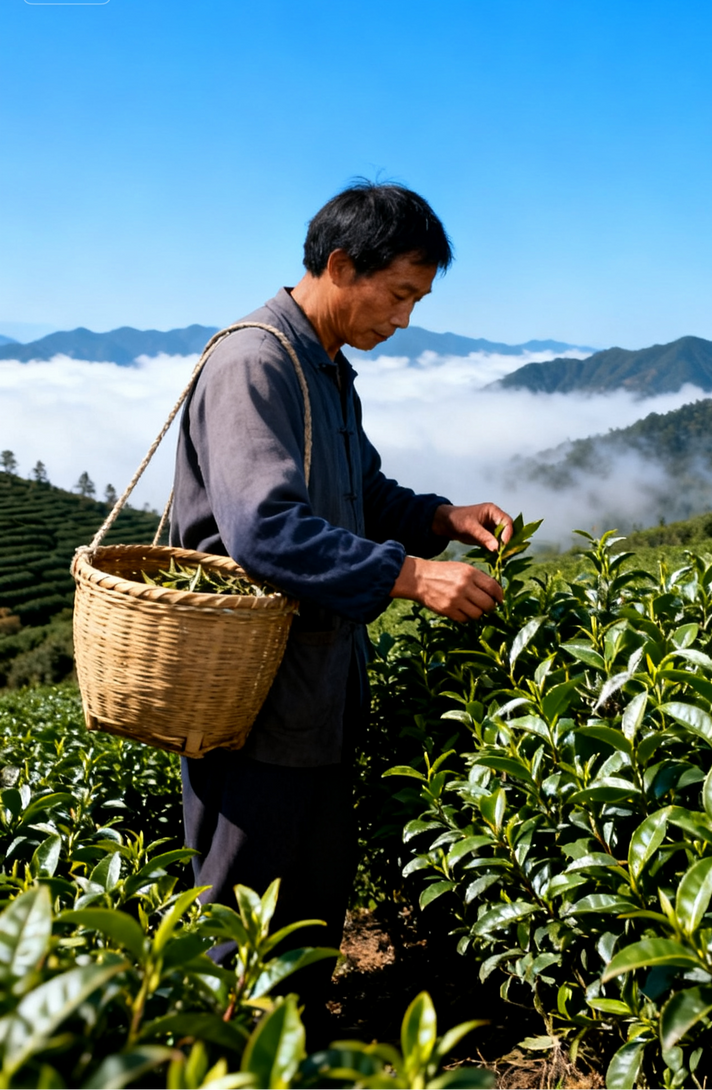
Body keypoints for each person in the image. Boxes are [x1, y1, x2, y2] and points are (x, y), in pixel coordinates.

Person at [170, 181, 512, 1033]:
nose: (404, 320)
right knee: (241, 920)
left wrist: (443, 518)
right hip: (252, 697)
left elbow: (361, 489)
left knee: (312, 907)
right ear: (339, 265)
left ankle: (298, 1052)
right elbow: (267, 532)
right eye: (398, 295)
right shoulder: (255, 363)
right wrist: (415, 575)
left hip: (317, 694)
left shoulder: (326, 370)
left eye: (417, 301)